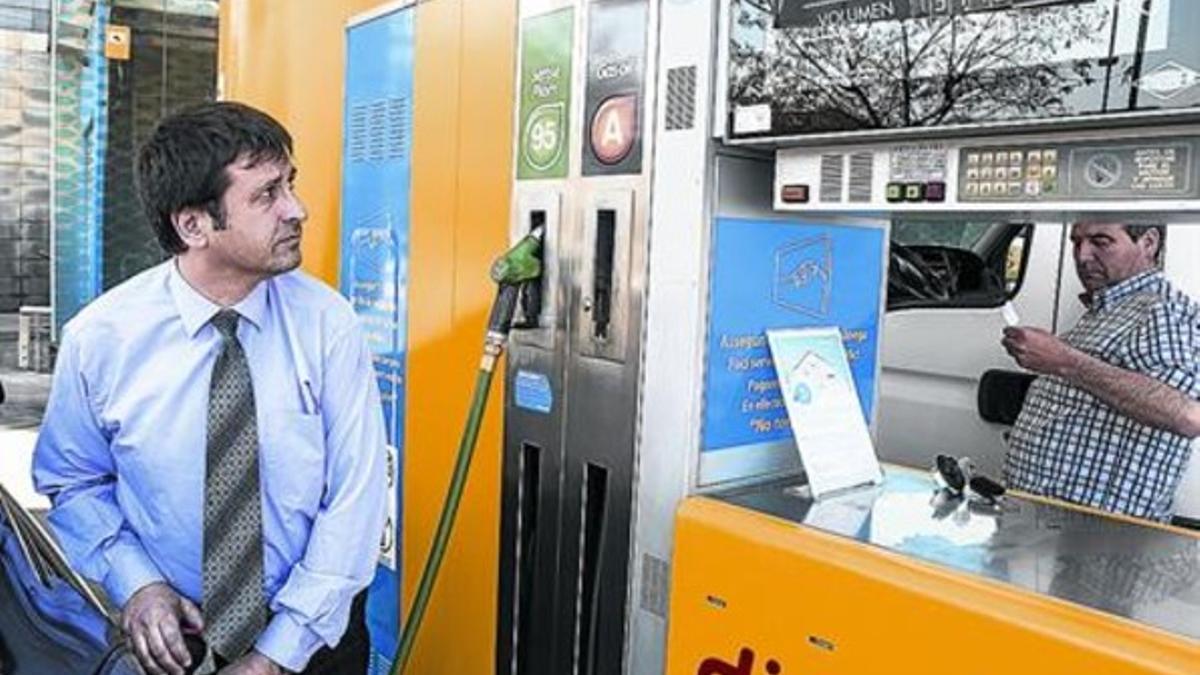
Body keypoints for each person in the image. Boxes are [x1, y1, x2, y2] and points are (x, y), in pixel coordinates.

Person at [33, 102, 387, 675]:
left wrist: (276, 655)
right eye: (266, 195)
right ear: (193, 224)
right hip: (173, 642)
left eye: (290, 184)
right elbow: (74, 482)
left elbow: (355, 499)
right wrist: (139, 584)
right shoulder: (100, 339)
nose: (298, 210)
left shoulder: (329, 324)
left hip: (315, 638)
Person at [1001, 223, 1200, 523]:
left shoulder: (1162, 313)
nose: (1082, 256)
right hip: (1048, 529)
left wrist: (1063, 361)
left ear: (1148, 242)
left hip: (1094, 540)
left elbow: (1184, 415)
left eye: (1100, 241)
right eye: (1076, 242)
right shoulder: (1106, 310)